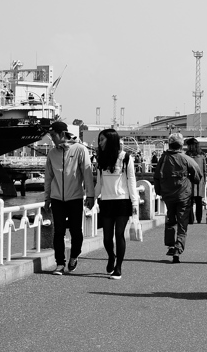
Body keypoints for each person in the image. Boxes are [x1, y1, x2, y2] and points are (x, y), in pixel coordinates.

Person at [43, 120, 95, 275]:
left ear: (62, 134)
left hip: (75, 197)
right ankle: (59, 263)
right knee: (58, 231)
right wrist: (47, 198)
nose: (51, 138)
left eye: (53, 135)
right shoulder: (52, 153)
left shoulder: (80, 149)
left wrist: (90, 195)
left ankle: (74, 255)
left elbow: (87, 174)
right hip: (57, 198)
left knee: (76, 231)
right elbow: (48, 177)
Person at [94, 129, 138, 279]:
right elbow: (99, 183)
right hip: (106, 201)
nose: (100, 143)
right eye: (99, 140)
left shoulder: (126, 158)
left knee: (119, 234)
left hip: (123, 201)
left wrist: (135, 202)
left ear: (111, 140)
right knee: (107, 238)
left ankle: (118, 268)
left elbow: (131, 181)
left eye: (102, 140)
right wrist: (91, 197)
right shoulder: (100, 159)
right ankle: (111, 257)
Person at [155, 133, 201, 263]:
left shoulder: (163, 158)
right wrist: (192, 179)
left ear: (169, 144)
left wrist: (159, 191)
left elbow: (157, 176)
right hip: (183, 195)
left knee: (170, 220)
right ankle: (178, 248)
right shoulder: (185, 158)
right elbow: (197, 173)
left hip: (168, 195)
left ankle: (170, 245)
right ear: (181, 145)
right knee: (182, 223)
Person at [185, 138, 206, 224]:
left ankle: (191, 219)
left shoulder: (187, 156)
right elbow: (204, 170)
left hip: (190, 181)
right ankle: (199, 219)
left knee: (189, 201)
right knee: (199, 201)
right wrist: (204, 180)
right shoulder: (202, 156)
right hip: (200, 181)